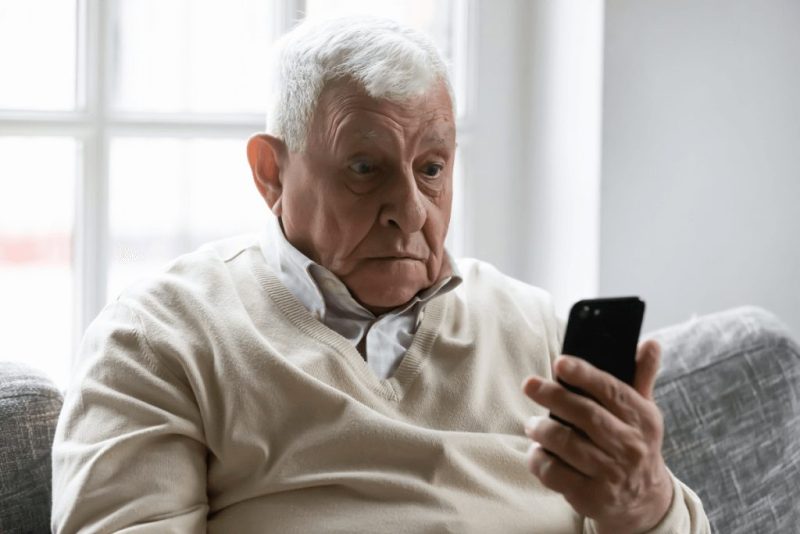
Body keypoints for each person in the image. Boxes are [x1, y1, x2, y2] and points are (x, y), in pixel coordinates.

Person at [51, 16, 710, 533]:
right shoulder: (159, 338)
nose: (409, 211)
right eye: (364, 169)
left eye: (432, 168)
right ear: (271, 174)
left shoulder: (535, 327)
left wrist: (645, 505)